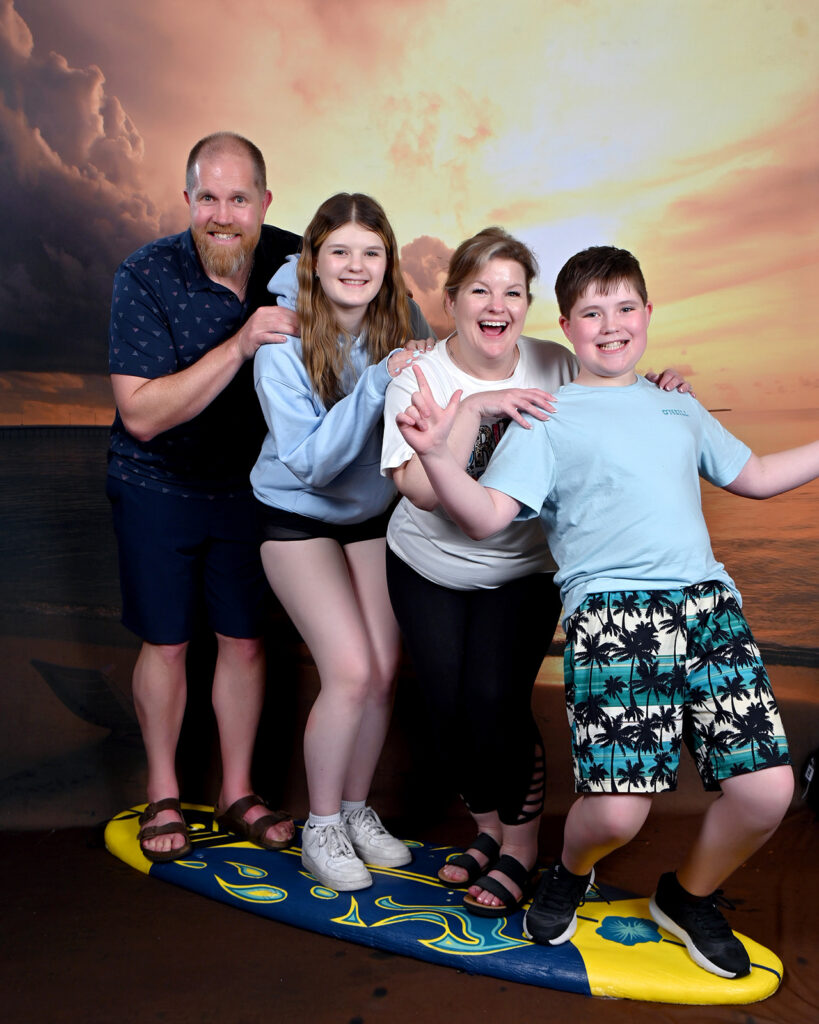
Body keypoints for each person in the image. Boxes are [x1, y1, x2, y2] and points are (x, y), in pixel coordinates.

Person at [396, 244, 815, 979]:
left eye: (625, 308)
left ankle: (687, 897)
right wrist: (436, 454)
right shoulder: (545, 416)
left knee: (766, 791)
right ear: (567, 327)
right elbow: (485, 517)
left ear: (648, 314)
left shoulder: (677, 404)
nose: (611, 324)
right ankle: (569, 869)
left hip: (707, 607)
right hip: (614, 617)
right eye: (591, 313)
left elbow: (752, 474)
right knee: (619, 813)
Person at [381, 229, 688, 918]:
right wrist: (473, 407)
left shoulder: (554, 362)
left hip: (522, 567)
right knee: (445, 709)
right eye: (480, 290)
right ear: (452, 300)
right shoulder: (418, 377)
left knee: (495, 701)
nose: (497, 305)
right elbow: (423, 493)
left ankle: (519, 847)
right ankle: (487, 831)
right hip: (426, 565)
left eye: (512, 292)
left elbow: (616, 388)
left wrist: (663, 386)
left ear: (528, 304)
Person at [107, 132, 301, 861]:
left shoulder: (297, 259)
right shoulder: (145, 274)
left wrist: (415, 354)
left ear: (265, 202)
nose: (223, 214)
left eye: (238, 198)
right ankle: (163, 790)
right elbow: (140, 414)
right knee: (167, 642)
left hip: (248, 487)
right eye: (208, 197)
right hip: (155, 480)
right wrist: (242, 344)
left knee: (245, 640)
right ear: (187, 199)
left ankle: (237, 791)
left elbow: (379, 297)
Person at [251, 192, 435, 891]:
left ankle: (355, 812)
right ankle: (320, 826)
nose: (355, 265)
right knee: (351, 671)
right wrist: (378, 383)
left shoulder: (403, 321)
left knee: (384, 670)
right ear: (313, 259)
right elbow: (313, 464)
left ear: (387, 263)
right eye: (340, 251)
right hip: (295, 514)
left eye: (371, 252)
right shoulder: (280, 345)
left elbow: (468, 373)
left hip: (367, 517)